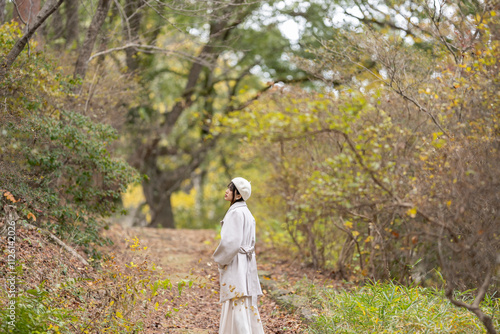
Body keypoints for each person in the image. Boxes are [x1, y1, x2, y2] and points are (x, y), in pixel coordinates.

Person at [213, 177, 265, 334]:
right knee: (243, 301)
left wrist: (220, 260)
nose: (226, 190)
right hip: (246, 262)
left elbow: (231, 242)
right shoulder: (247, 213)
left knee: (237, 300)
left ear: (238, 195)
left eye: (230, 188)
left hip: (238, 262)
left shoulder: (235, 213)